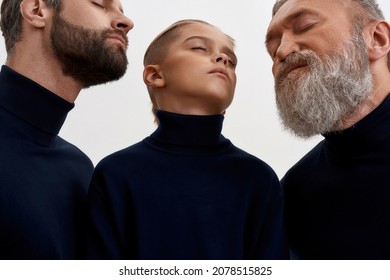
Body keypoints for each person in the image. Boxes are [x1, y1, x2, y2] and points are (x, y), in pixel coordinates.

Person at [87, 19, 288, 260]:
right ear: (154, 75)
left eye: (231, 61)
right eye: (200, 48)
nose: (223, 59)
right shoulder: (115, 174)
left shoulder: (259, 179)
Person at [0, 0, 133, 259]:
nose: (126, 22)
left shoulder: (80, 172)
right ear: (37, 10)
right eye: (100, 4)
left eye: (122, 11)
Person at [265, 0, 390, 259]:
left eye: (306, 25)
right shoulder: (295, 191)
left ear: (377, 39)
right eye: (273, 45)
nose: (282, 51)